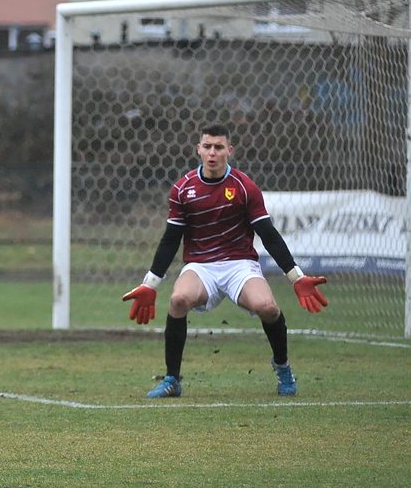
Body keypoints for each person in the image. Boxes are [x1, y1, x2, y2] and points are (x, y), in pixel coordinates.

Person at [122, 123, 328, 398]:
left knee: (268, 307)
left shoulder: (244, 187)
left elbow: (268, 234)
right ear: (198, 149)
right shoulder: (183, 189)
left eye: (218, 147)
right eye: (207, 146)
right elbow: (171, 238)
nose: (212, 153)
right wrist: (151, 283)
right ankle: (172, 380)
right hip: (200, 266)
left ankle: (283, 367)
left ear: (229, 151)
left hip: (239, 264)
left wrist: (296, 277)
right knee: (178, 300)